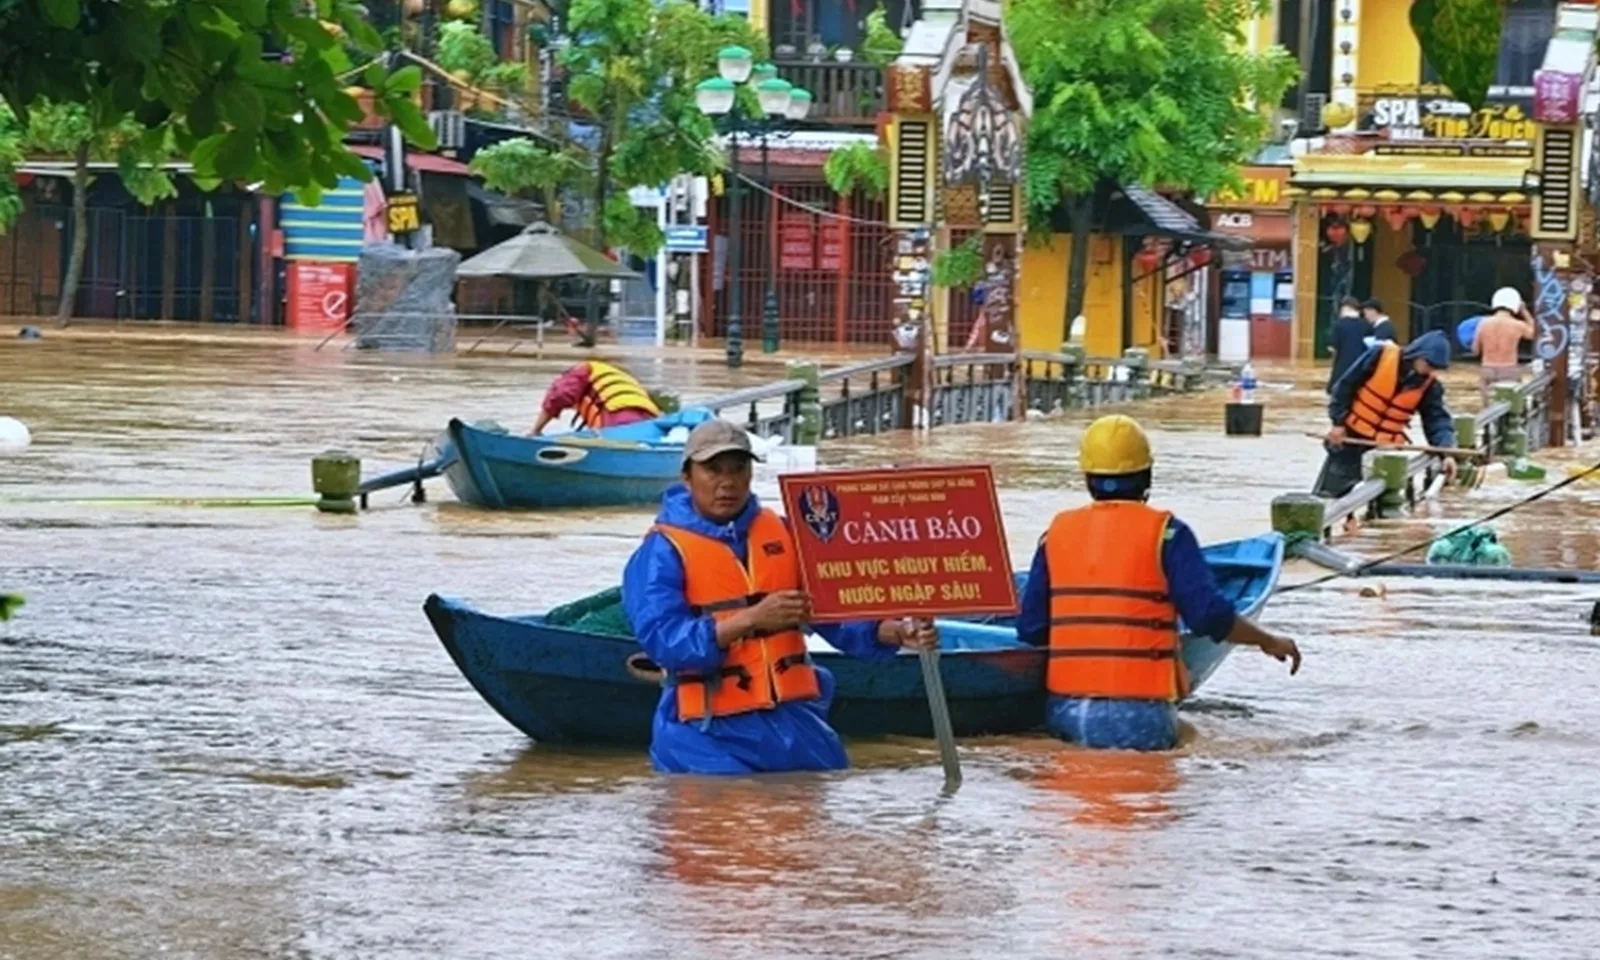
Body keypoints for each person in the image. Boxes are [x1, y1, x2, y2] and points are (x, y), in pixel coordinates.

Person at [621, 419, 938, 775]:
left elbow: (833, 611)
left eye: (738, 468)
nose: (727, 482)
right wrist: (751, 619)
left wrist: (896, 632)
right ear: (687, 476)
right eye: (713, 469)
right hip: (704, 733)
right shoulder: (660, 551)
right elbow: (664, 642)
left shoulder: (786, 533)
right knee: (725, 808)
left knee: (818, 800)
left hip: (795, 723)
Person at [1015, 415, 1302, 752]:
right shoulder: (1168, 535)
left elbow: (1031, 629)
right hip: (1138, 714)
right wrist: (1268, 641)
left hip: (1065, 710)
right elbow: (1209, 616)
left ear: (1088, 478)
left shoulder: (1054, 536)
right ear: (1147, 475)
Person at [1316, 329, 1458, 499]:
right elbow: (1345, 387)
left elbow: (1437, 420)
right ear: (1417, 353)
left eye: (1435, 367)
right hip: (1350, 437)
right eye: (1428, 363)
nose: (1430, 370)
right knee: (1331, 494)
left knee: (1379, 497)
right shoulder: (1379, 356)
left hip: (1383, 449)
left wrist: (1447, 452)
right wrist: (1338, 423)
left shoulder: (1429, 386)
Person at [531, 360, 660, 435]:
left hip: (616, 416)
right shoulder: (616, 375)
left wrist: (536, 431)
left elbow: (558, 397)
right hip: (650, 421)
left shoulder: (581, 370)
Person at [1471, 286, 1535, 406]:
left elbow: (1475, 350)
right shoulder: (1517, 325)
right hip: (1509, 369)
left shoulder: (1482, 324)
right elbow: (1535, 333)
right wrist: (1524, 311)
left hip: (1487, 369)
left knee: (1488, 410)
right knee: (1512, 406)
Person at [1327, 296, 1370, 392]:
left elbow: (1333, 348)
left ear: (1345, 308)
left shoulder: (1339, 324)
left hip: (1342, 369)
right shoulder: (1366, 325)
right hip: (1361, 369)